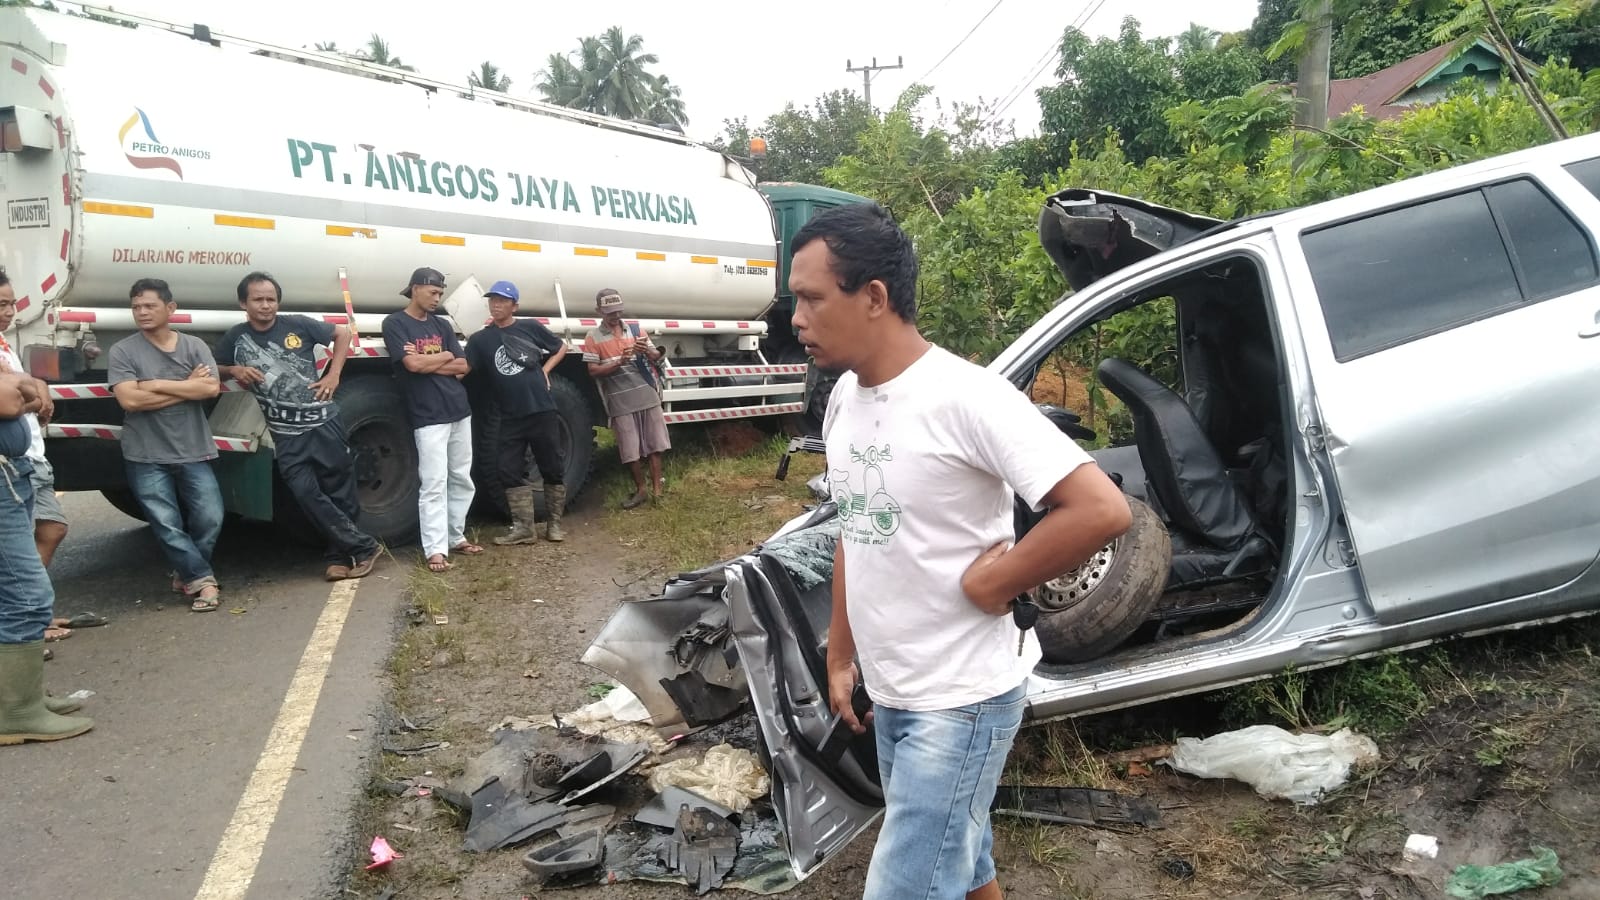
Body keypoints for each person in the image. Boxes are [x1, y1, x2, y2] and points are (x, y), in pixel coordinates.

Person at [791, 203, 1132, 900]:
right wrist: (840, 651)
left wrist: (995, 581)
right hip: (896, 687)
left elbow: (1101, 508)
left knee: (908, 884)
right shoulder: (845, 401)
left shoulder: (967, 397)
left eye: (811, 298)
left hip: (963, 696)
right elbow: (861, 527)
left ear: (875, 298)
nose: (796, 318)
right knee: (963, 855)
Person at [216, 272, 381, 581]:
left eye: (271, 299)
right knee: (304, 491)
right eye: (258, 299)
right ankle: (364, 546)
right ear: (243, 303)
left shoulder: (298, 324)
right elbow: (214, 367)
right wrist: (234, 369)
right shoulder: (235, 338)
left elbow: (342, 334)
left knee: (339, 491)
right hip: (286, 433)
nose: (266, 306)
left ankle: (340, 556)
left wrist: (334, 375)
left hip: (323, 422)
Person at [109, 278, 226, 612]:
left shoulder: (194, 346)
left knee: (211, 517)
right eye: (136, 307)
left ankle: (187, 571)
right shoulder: (123, 350)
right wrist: (185, 387)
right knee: (165, 522)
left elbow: (209, 390)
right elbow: (130, 400)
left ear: (170, 308)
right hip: (145, 452)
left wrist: (158, 384)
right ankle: (202, 580)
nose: (142, 312)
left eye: (149, 306)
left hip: (193, 447)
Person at [0, 369, 94, 744]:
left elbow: (21, 384)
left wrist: (22, 391)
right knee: (27, 597)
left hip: (11, 473)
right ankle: (17, 713)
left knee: (11, 596)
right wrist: (24, 396)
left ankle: (23, 698)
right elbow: (10, 397)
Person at [0, 268, 80, 642]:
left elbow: (22, 389)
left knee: (51, 529)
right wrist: (33, 392)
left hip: (30, 456)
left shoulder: (4, 343)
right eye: (1, 304)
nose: (9, 311)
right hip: (10, 470)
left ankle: (33, 618)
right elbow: (11, 399)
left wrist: (36, 386)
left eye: (11, 303)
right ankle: (25, 623)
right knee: (20, 555)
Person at [382, 267, 477, 573]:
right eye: (433, 292)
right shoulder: (396, 323)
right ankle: (435, 550)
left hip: (459, 410)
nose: (438, 298)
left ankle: (456, 536)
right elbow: (410, 364)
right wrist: (443, 358)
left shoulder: (441, 324)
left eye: (440, 293)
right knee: (434, 483)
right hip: (428, 414)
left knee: (461, 477)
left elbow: (463, 366)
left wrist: (430, 363)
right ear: (414, 289)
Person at [464, 280, 570, 544]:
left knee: (552, 466)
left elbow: (560, 347)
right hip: (509, 415)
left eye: (502, 301)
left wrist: (545, 370)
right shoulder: (480, 340)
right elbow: (464, 368)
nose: (496, 305)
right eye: (492, 300)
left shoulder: (529, 327)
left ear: (515, 305)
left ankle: (554, 525)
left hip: (542, 410)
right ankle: (524, 529)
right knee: (507, 469)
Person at [582, 289, 669, 509]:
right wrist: (619, 362)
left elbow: (657, 356)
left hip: (646, 393)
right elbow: (592, 371)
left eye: (618, 311)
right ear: (599, 311)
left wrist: (648, 352)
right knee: (630, 449)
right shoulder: (593, 337)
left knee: (655, 444)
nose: (615, 316)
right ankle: (641, 489)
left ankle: (657, 491)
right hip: (619, 399)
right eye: (610, 312)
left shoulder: (637, 329)